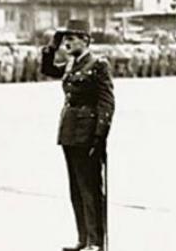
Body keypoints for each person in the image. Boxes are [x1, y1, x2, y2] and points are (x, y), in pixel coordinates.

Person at [41, 20, 115, 251]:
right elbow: (47, 69)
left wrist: (100, 135)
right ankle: (82, 238)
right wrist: (52, 45)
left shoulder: (98, 64)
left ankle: (96, 241)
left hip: (88, 133)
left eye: (72, 38)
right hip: (70, 131)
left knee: (90, 188)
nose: (67, 43)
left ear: (86, 40)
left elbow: (107, 102)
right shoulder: (71, 64)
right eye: (65, 39)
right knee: (75, 188)